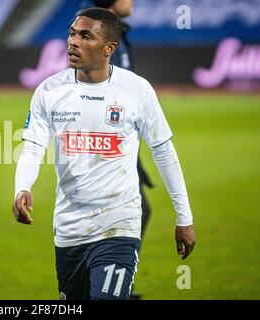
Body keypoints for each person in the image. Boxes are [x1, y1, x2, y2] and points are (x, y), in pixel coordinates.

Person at [12, 8, 196, 300]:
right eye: (72, 34)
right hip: (69, 229)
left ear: (110, 47)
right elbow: (33, 145)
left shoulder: (136, 90)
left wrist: (184, 217)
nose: (73, 42)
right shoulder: (49, 91)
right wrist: (22, 187)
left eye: (86, 36)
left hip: (118, 226)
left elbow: (164, 152)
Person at [92, 0, 151, 299]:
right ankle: (111, 289)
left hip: (121, 145)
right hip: (108, 150)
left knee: (131, 214)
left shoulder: (116, 33)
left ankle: (114, 287)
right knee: (122, 216)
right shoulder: (95, 34)